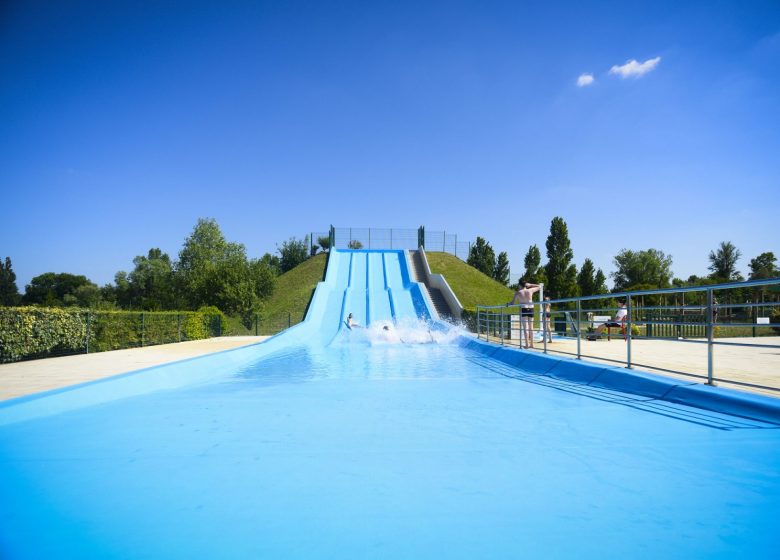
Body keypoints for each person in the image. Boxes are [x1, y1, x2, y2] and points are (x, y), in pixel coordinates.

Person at [508, 282, 541, 348]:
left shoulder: (518, 292)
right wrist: (531, 284)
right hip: (531, 308)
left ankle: (527, 344)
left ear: (520, 285)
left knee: (525, 328)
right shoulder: (530, 290)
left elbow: (512, 303)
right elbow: (540, 286)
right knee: (531, 327)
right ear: (525, 285)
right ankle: (532, 344)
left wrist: (508, 304)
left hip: (524, 309)